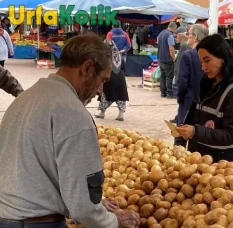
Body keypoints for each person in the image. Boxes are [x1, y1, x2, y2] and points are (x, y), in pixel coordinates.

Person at [0, 34, 140, 228]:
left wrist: (94, 204)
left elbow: (37, 170)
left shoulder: (25, 99)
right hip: (37, 223)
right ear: (87, 68)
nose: (100, 91)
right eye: (102, 80)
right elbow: (83, 210)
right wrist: (114, 221)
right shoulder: (73, 114)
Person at [176, 34, 233, 163]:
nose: (203, 67)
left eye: (207, 60)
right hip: (201, 161)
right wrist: (182, 131)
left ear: (223, 58)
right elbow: (194, 112)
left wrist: (195, 132)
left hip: (226, 166)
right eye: (201, 61)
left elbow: (230, 135)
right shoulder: (206, 82)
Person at [174, 24, 209, 146]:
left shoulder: (188, 55)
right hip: (206, 103)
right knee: (198, 138)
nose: (187, 36)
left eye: (189, 34)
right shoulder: (210, 56)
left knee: (180, 137)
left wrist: (180, 98)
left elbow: (182, 82)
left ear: (195, 37)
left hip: (189, 102)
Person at [94, 39, 129, 121]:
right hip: (120, 76)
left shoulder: (105, 55)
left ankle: (102, 112)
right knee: (120, 95)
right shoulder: (118, 54)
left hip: (110, 76)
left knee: (106, 95)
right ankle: (121, 114)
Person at [157, 21, 177, 98]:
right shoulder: (170, 35)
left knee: (163, 76)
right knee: (169, 76)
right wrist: (173, 59)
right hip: (167, 59)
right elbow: (171, 49)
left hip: (160, 58)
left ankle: (163, 93)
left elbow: (158, 44)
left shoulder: (161, 33)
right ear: (174, 28)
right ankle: (169, 93)